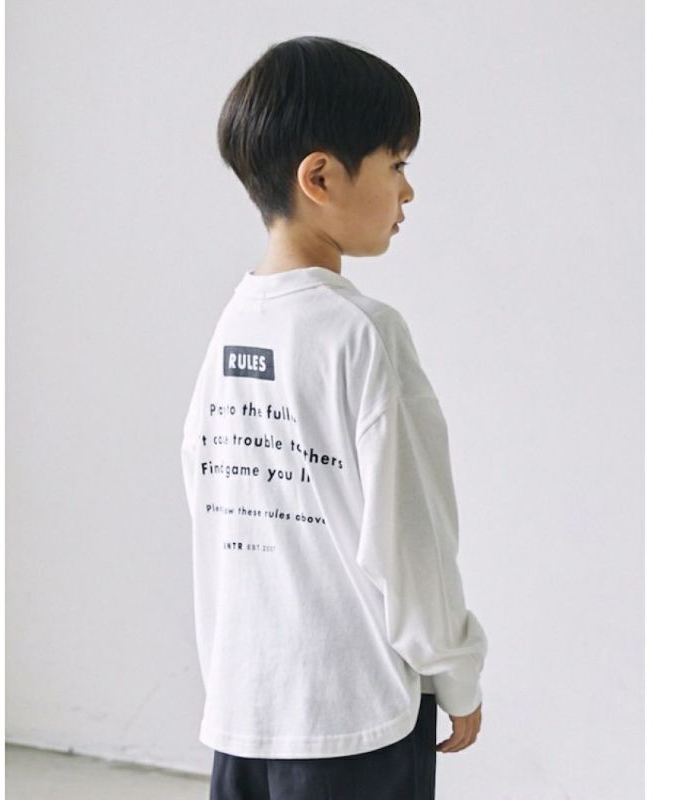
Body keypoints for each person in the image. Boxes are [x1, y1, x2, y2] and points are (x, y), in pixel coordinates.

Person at [180, 35, 488, 800]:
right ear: (320, 176)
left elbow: (211, 500)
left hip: (247, 709)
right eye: (397, 164)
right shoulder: (364, 334)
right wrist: (455, 673)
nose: (409, 192)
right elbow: (411, 538)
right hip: (356, 718)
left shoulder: (234, 324)